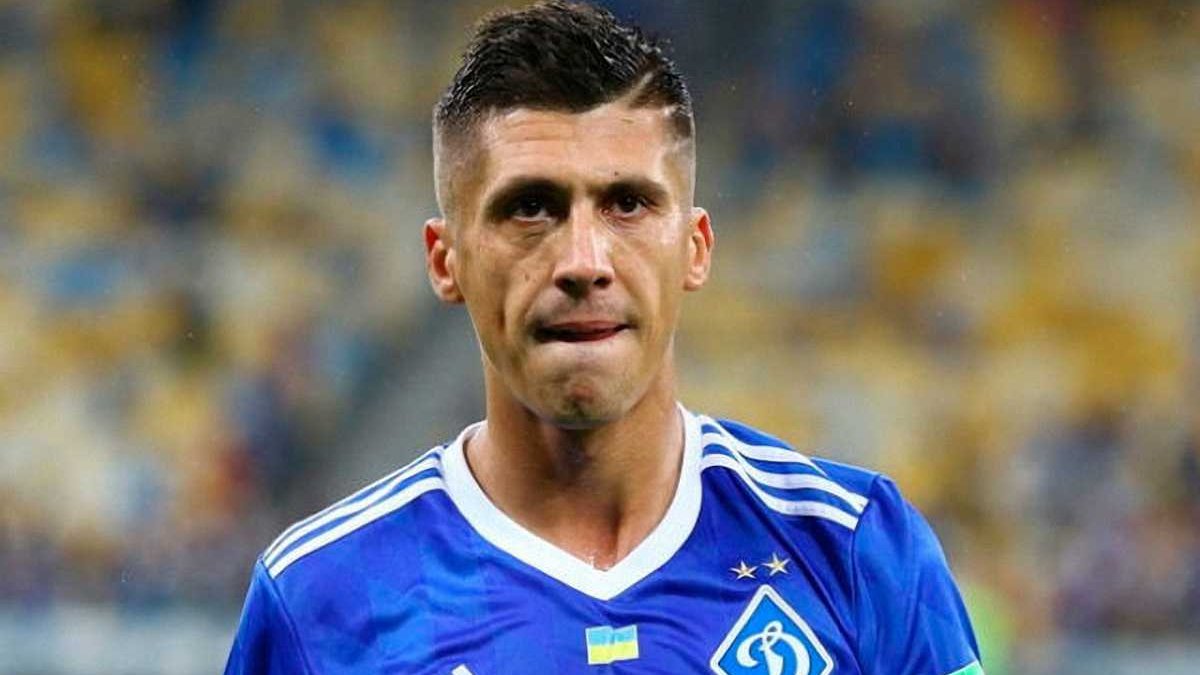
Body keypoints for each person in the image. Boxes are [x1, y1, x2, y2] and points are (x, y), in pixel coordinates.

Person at [224, 2, 984, 674]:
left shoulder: (853, 549)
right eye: (530, 207)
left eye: (627, 204)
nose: (583, 262)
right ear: (444, 259)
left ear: (695, 247)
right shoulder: (319, 600)